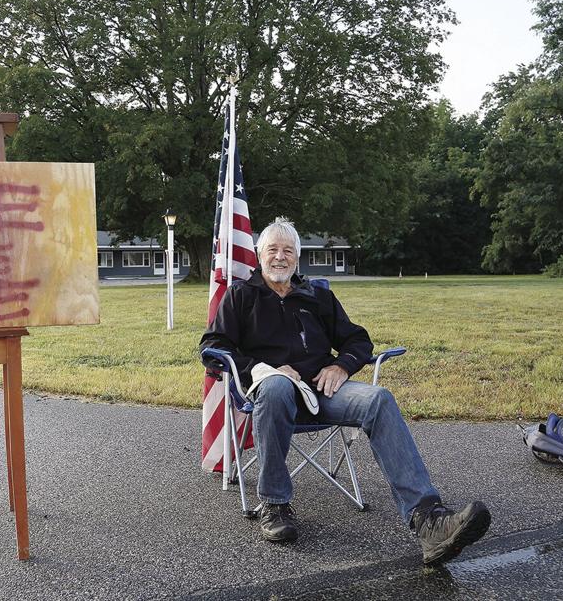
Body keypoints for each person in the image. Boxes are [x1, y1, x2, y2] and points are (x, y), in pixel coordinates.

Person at [199, 217, 491, 566]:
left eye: (288, 251)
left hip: (322, 392)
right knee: (276, 387)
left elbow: (358, 340)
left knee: (378, 399)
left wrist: (341, 366)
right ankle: (274, 505)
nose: (280, 257)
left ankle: (428, 519)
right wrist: (263, 370)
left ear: (297, 257)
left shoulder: (317, 296)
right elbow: (213, 348)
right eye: (272, 250)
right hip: (270, 395)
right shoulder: (241, 296)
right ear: (260, 256)